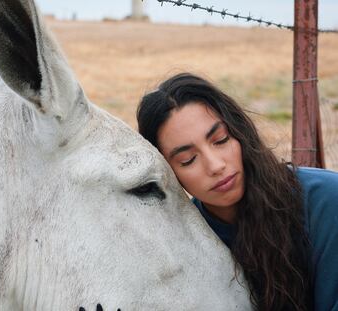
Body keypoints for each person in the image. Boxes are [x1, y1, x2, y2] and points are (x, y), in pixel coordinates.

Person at [136, 73, 338, 311]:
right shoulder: (182, 238)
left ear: (239, 132)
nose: (216, 165)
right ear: (168, 173)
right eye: (188, 159)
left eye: (220, 140)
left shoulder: (327, 201)